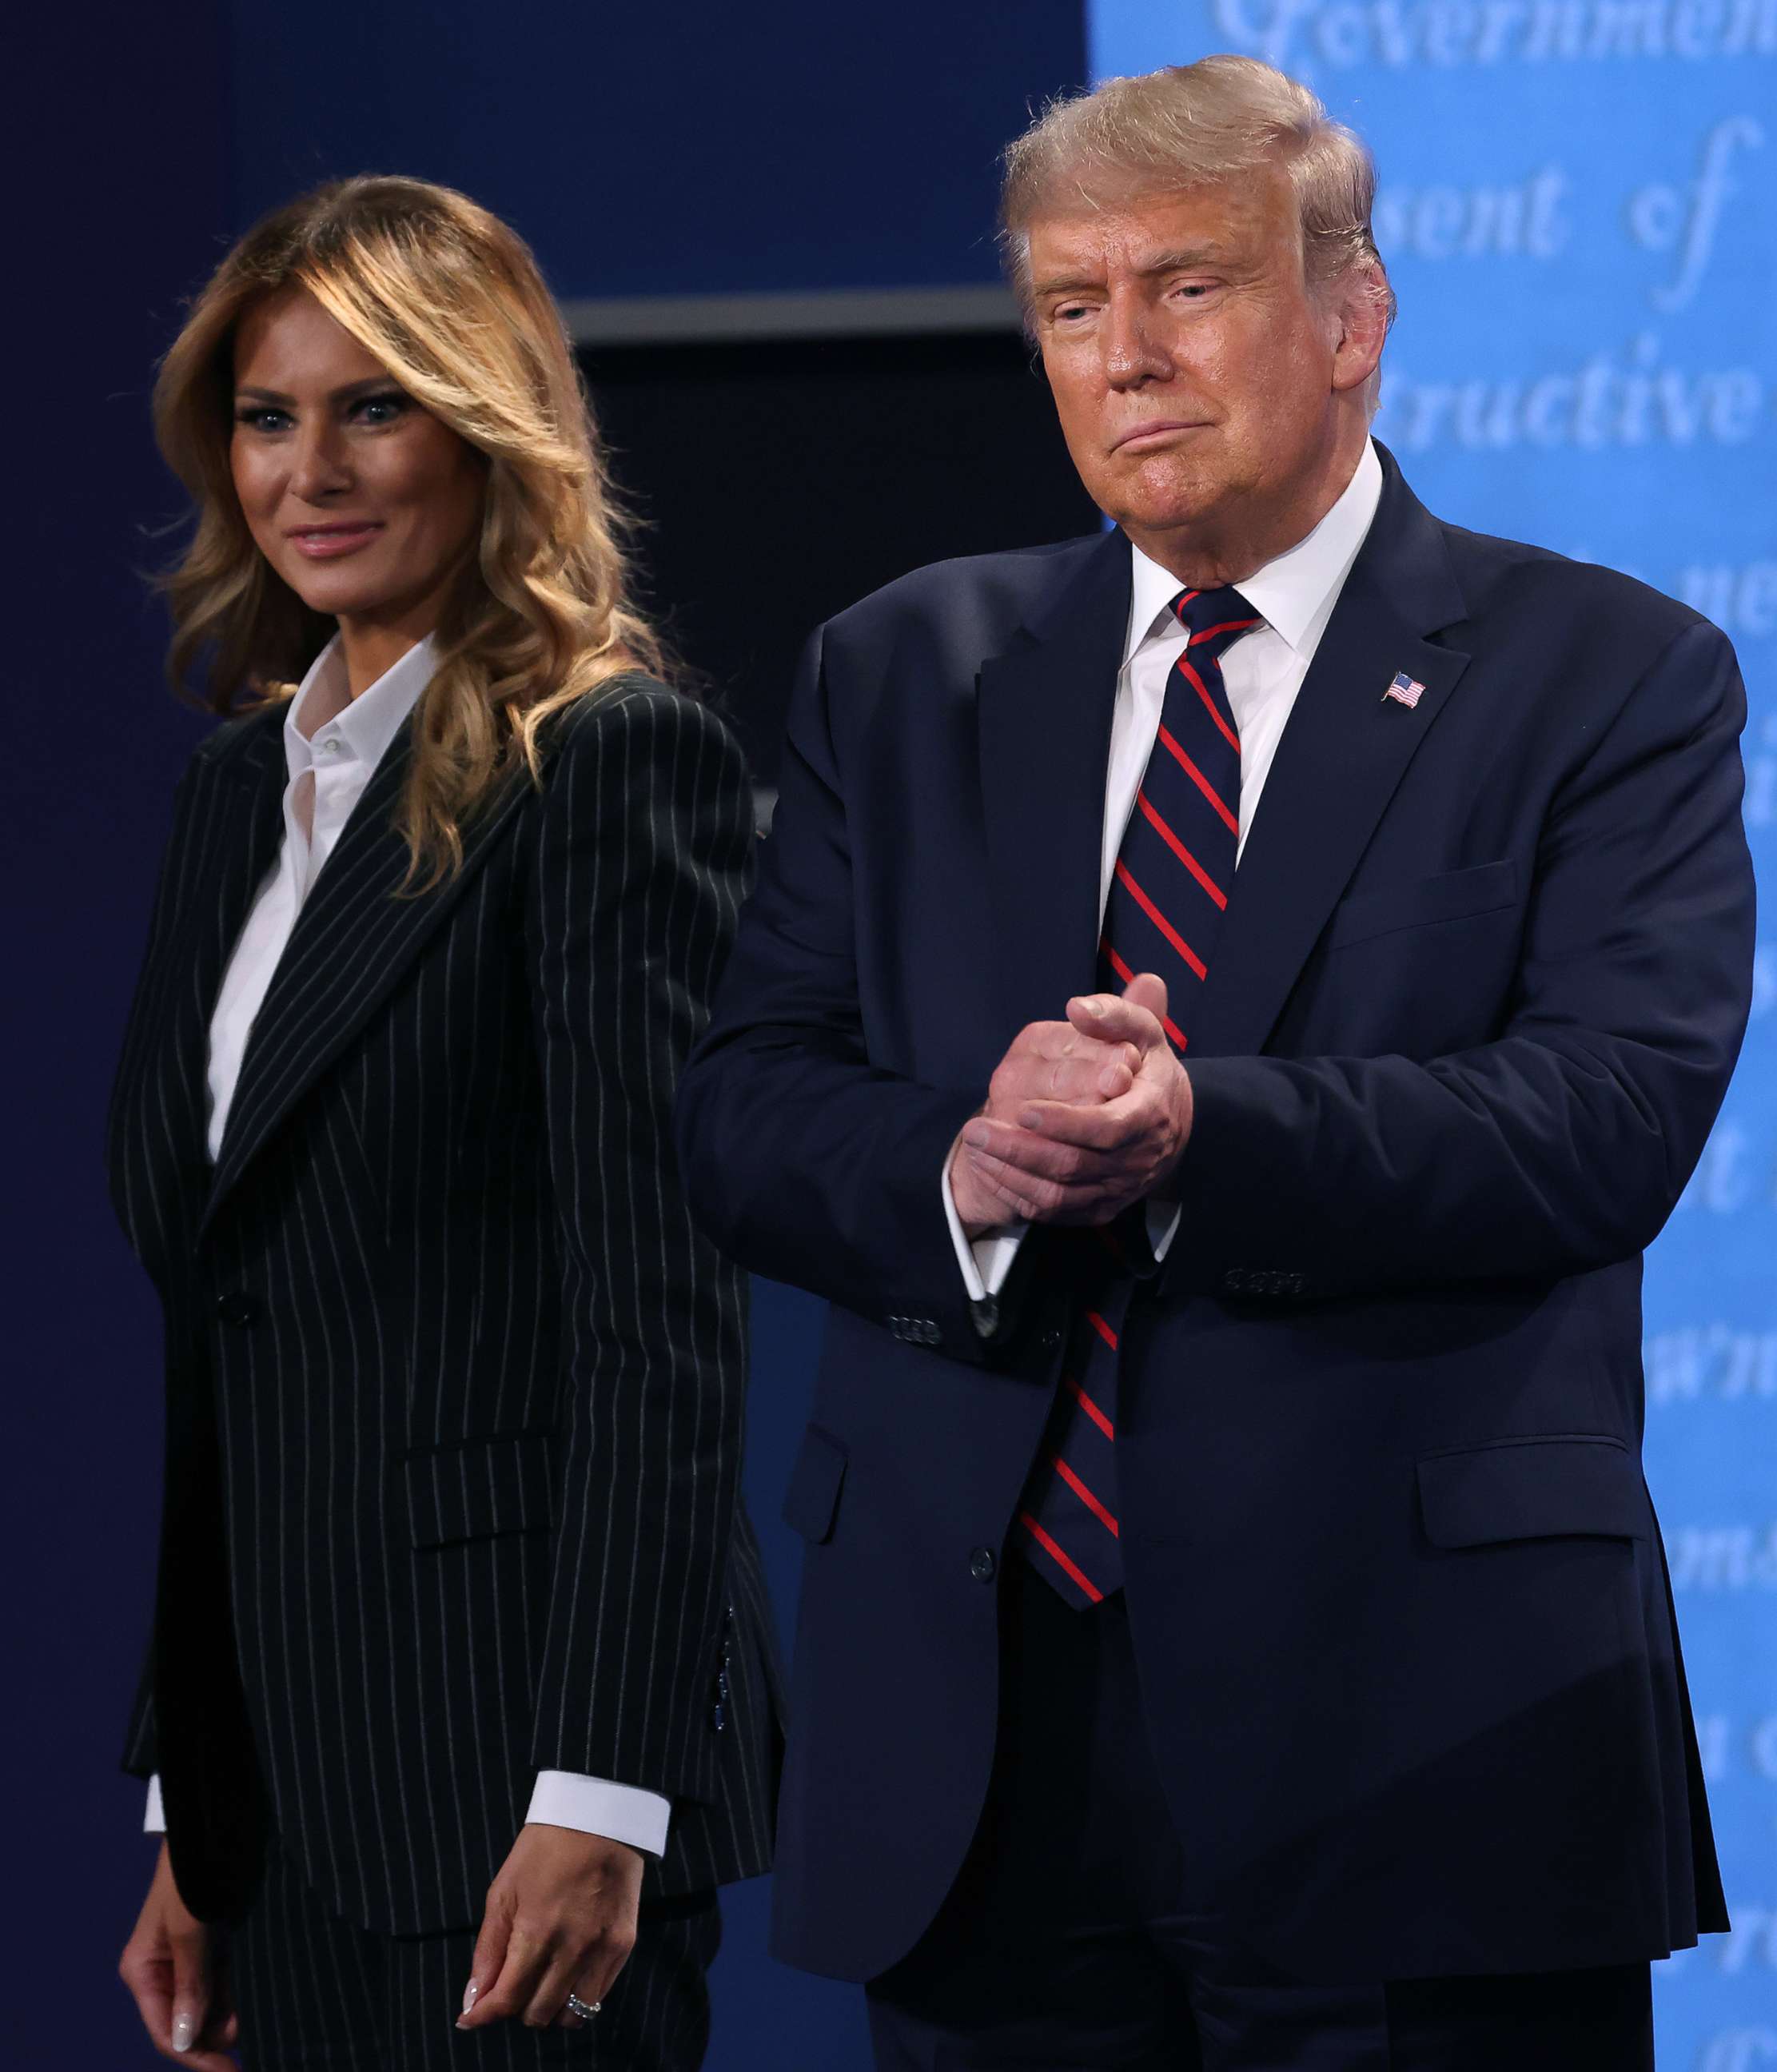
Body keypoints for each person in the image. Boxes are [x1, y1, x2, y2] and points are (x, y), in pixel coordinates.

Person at [675, 55, 1753, 2071]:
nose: (1125, 357)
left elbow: (1604, 1119)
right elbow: (746, 1107)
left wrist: (1193, 1130)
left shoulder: (1602, 673)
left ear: (1351, 318)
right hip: (981, 1748)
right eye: (1071, 309)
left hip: (1415, 1745)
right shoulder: (899, 667)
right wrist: (966, 1167)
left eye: (1186, 286)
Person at [109, 176, 779, 2071]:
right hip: (281, 1816)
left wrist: (606, 1790)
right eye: (265, 416)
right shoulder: (238, 798)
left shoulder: (611, 763)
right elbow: (222, 1347)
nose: (310, 468)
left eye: (374, 405)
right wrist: (188, 1803)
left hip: (513, 1787)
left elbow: (659, 1326)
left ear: (487, 431)